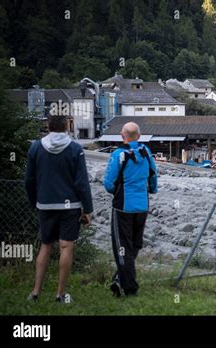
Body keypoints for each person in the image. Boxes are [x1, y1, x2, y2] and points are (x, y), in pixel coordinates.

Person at [25, 115, 93, 303]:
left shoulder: (36, 147)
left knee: (45, 246)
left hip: (45, 204)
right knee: (66, 247)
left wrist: (35, 202)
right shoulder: (75, 149)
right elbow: (81, 183)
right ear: (66, 126)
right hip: (70, 206)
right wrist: (87, 209)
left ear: (48, 126)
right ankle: (60, 294)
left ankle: (35, 292)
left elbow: (29, 180)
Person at [103, 122, 157, 297]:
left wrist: (116, 191)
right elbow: (153, 175)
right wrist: (152, 189)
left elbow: (108, 183)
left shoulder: (118, 154)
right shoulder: (146, 152)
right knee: (135, 244)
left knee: (121, 247)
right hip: (142, 206)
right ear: (139, 136)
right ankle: (120, 279)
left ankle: (130, 288)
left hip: (123, 207)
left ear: (122, 136)